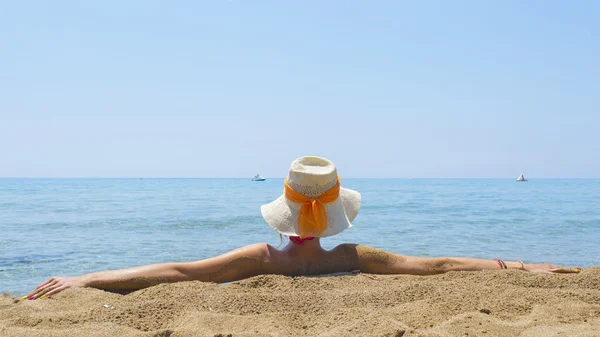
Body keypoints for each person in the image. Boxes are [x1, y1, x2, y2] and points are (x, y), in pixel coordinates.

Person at [26, 156, 579, 300]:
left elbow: (176, 273)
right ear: (335, 211)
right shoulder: (352, 258)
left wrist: (88, 278)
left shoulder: (261, 259)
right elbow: (434, 266)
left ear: (285, 210)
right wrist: (518, 265)